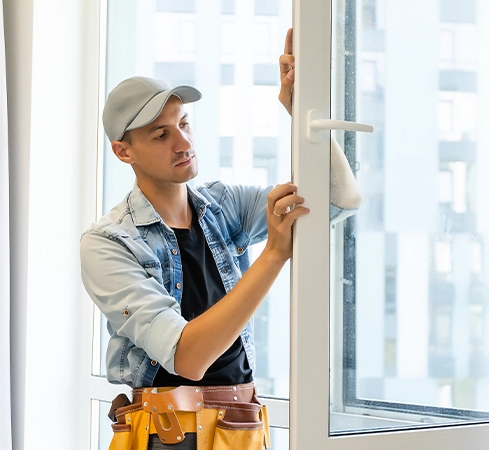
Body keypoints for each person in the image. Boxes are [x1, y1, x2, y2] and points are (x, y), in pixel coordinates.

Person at [80, 29, 360, 449]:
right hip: (167, 435)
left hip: (239, 426)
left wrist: (297, 106)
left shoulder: (222, 206)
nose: (184, 142)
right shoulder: (109, 243)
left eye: (185, 123)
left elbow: (340, 201)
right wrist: (272, 257)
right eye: (161, 135)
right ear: (124, 151)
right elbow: (189, 359)